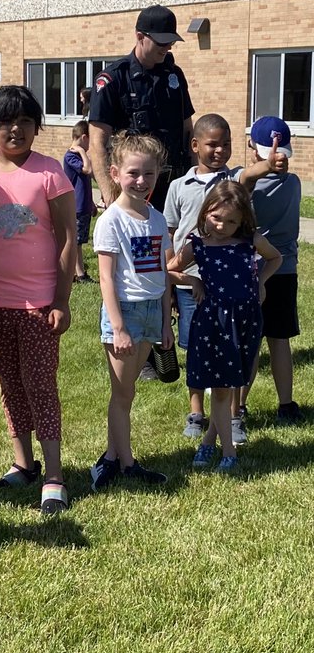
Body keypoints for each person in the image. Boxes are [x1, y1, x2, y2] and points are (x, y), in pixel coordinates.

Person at [0, 85, 76, 514]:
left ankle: (54, 475)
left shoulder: (51, 173)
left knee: (40, 385)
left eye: (26, 122)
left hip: (40, 303)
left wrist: (61, 300)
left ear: (36, 127)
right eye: (6, 122)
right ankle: (22, 462)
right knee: (9, 384)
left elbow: (68, 237)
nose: (16, 129)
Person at [163, 113, 286, 443]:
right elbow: (170, 236)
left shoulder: (232, 179)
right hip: (194, 282)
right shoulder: (178, 186)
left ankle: (233, 415)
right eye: (212, 144)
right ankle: (196, 411)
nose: (220, 150)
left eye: (227, 145)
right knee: (196, 350)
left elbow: (252, 172)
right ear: (195, 146)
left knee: (235, 352)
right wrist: (182, 285)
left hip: (234, 292)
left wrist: (270, 162)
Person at [168, 181, 281, 472]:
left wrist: (260, 281)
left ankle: (208, 442)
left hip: (246, 320)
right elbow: (169, 270)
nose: (222, 225)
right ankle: (228, 453)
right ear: (206, 211)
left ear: (243, 220)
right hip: (214, 322)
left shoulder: (249, 241)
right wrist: (193, 281)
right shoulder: (198, 245)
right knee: (219, 389)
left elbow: (275, 258)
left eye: (231, 221)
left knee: (233, 381)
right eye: (216, 217)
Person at [90, 132, 174, 490]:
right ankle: (126, 463)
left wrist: (167, 321)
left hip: (152, 310)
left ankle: (111, 458)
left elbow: (163, 271)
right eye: (133, 173)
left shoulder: (156, 218)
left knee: (128, 394)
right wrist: (119, 327)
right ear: (115, 172)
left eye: (149, 174)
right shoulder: (111, 220)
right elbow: (106, 279)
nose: (141, 182)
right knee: (122, 394)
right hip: (123, 312)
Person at [88, 5, 195, 211]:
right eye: (161, 41)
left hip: (173, 187)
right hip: (132, 187)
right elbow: (97, 143)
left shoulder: (174, 75)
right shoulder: (114, 79)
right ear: (140, 36)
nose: (167, 47)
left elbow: (187, 130)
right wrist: (110, 198)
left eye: (171, 41)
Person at [240, 116, 303, 424]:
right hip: (286, 270)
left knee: (251, 341)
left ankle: (238, 406)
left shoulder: (247, 185)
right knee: (280, 341)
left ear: (254, 148)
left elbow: (244, 179)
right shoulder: (294, 182)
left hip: (255, 270)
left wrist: (261, 166)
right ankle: (286, 405)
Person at [63, 120, 96, 283]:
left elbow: (85, 181)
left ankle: (79, 272)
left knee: (79, 241)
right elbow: (88, 170)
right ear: (84, 137)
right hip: (76, 206)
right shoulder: (70, 156)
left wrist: (91, 203)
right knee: (75, 241)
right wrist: (83, 152)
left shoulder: (76, 155)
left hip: (83, 205)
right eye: (90, 140)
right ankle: (78, 273)